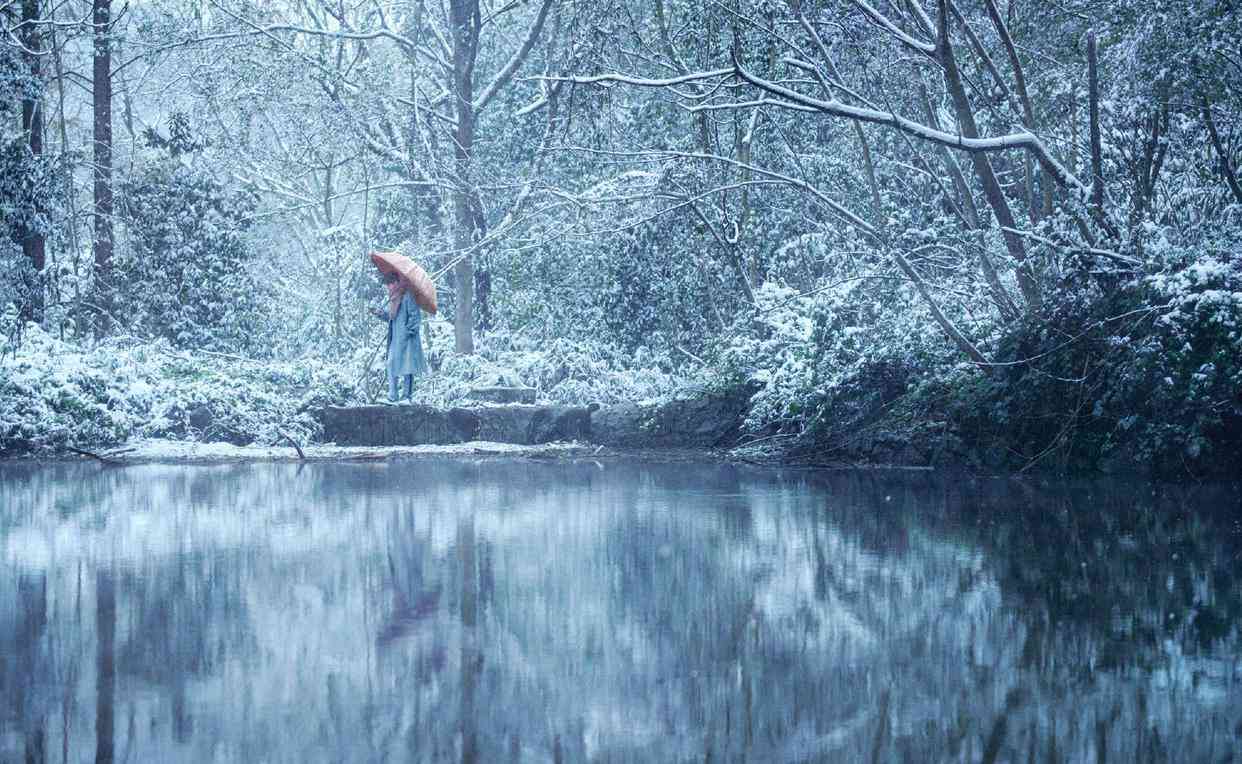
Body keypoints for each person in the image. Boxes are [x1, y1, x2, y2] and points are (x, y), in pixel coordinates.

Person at [376, 271, 428, 402]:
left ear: (397, 283)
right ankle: (393, 396)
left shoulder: (408, 295)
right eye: (387, 284)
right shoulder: (394, 298)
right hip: (396, 338)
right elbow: (392, 318)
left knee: (407, 366)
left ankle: (407, 397)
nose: (389, 287)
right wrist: (381, 314)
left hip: (407, 338)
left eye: (391, 283)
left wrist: (409, 332)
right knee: (391, 364)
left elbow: (415, 316)